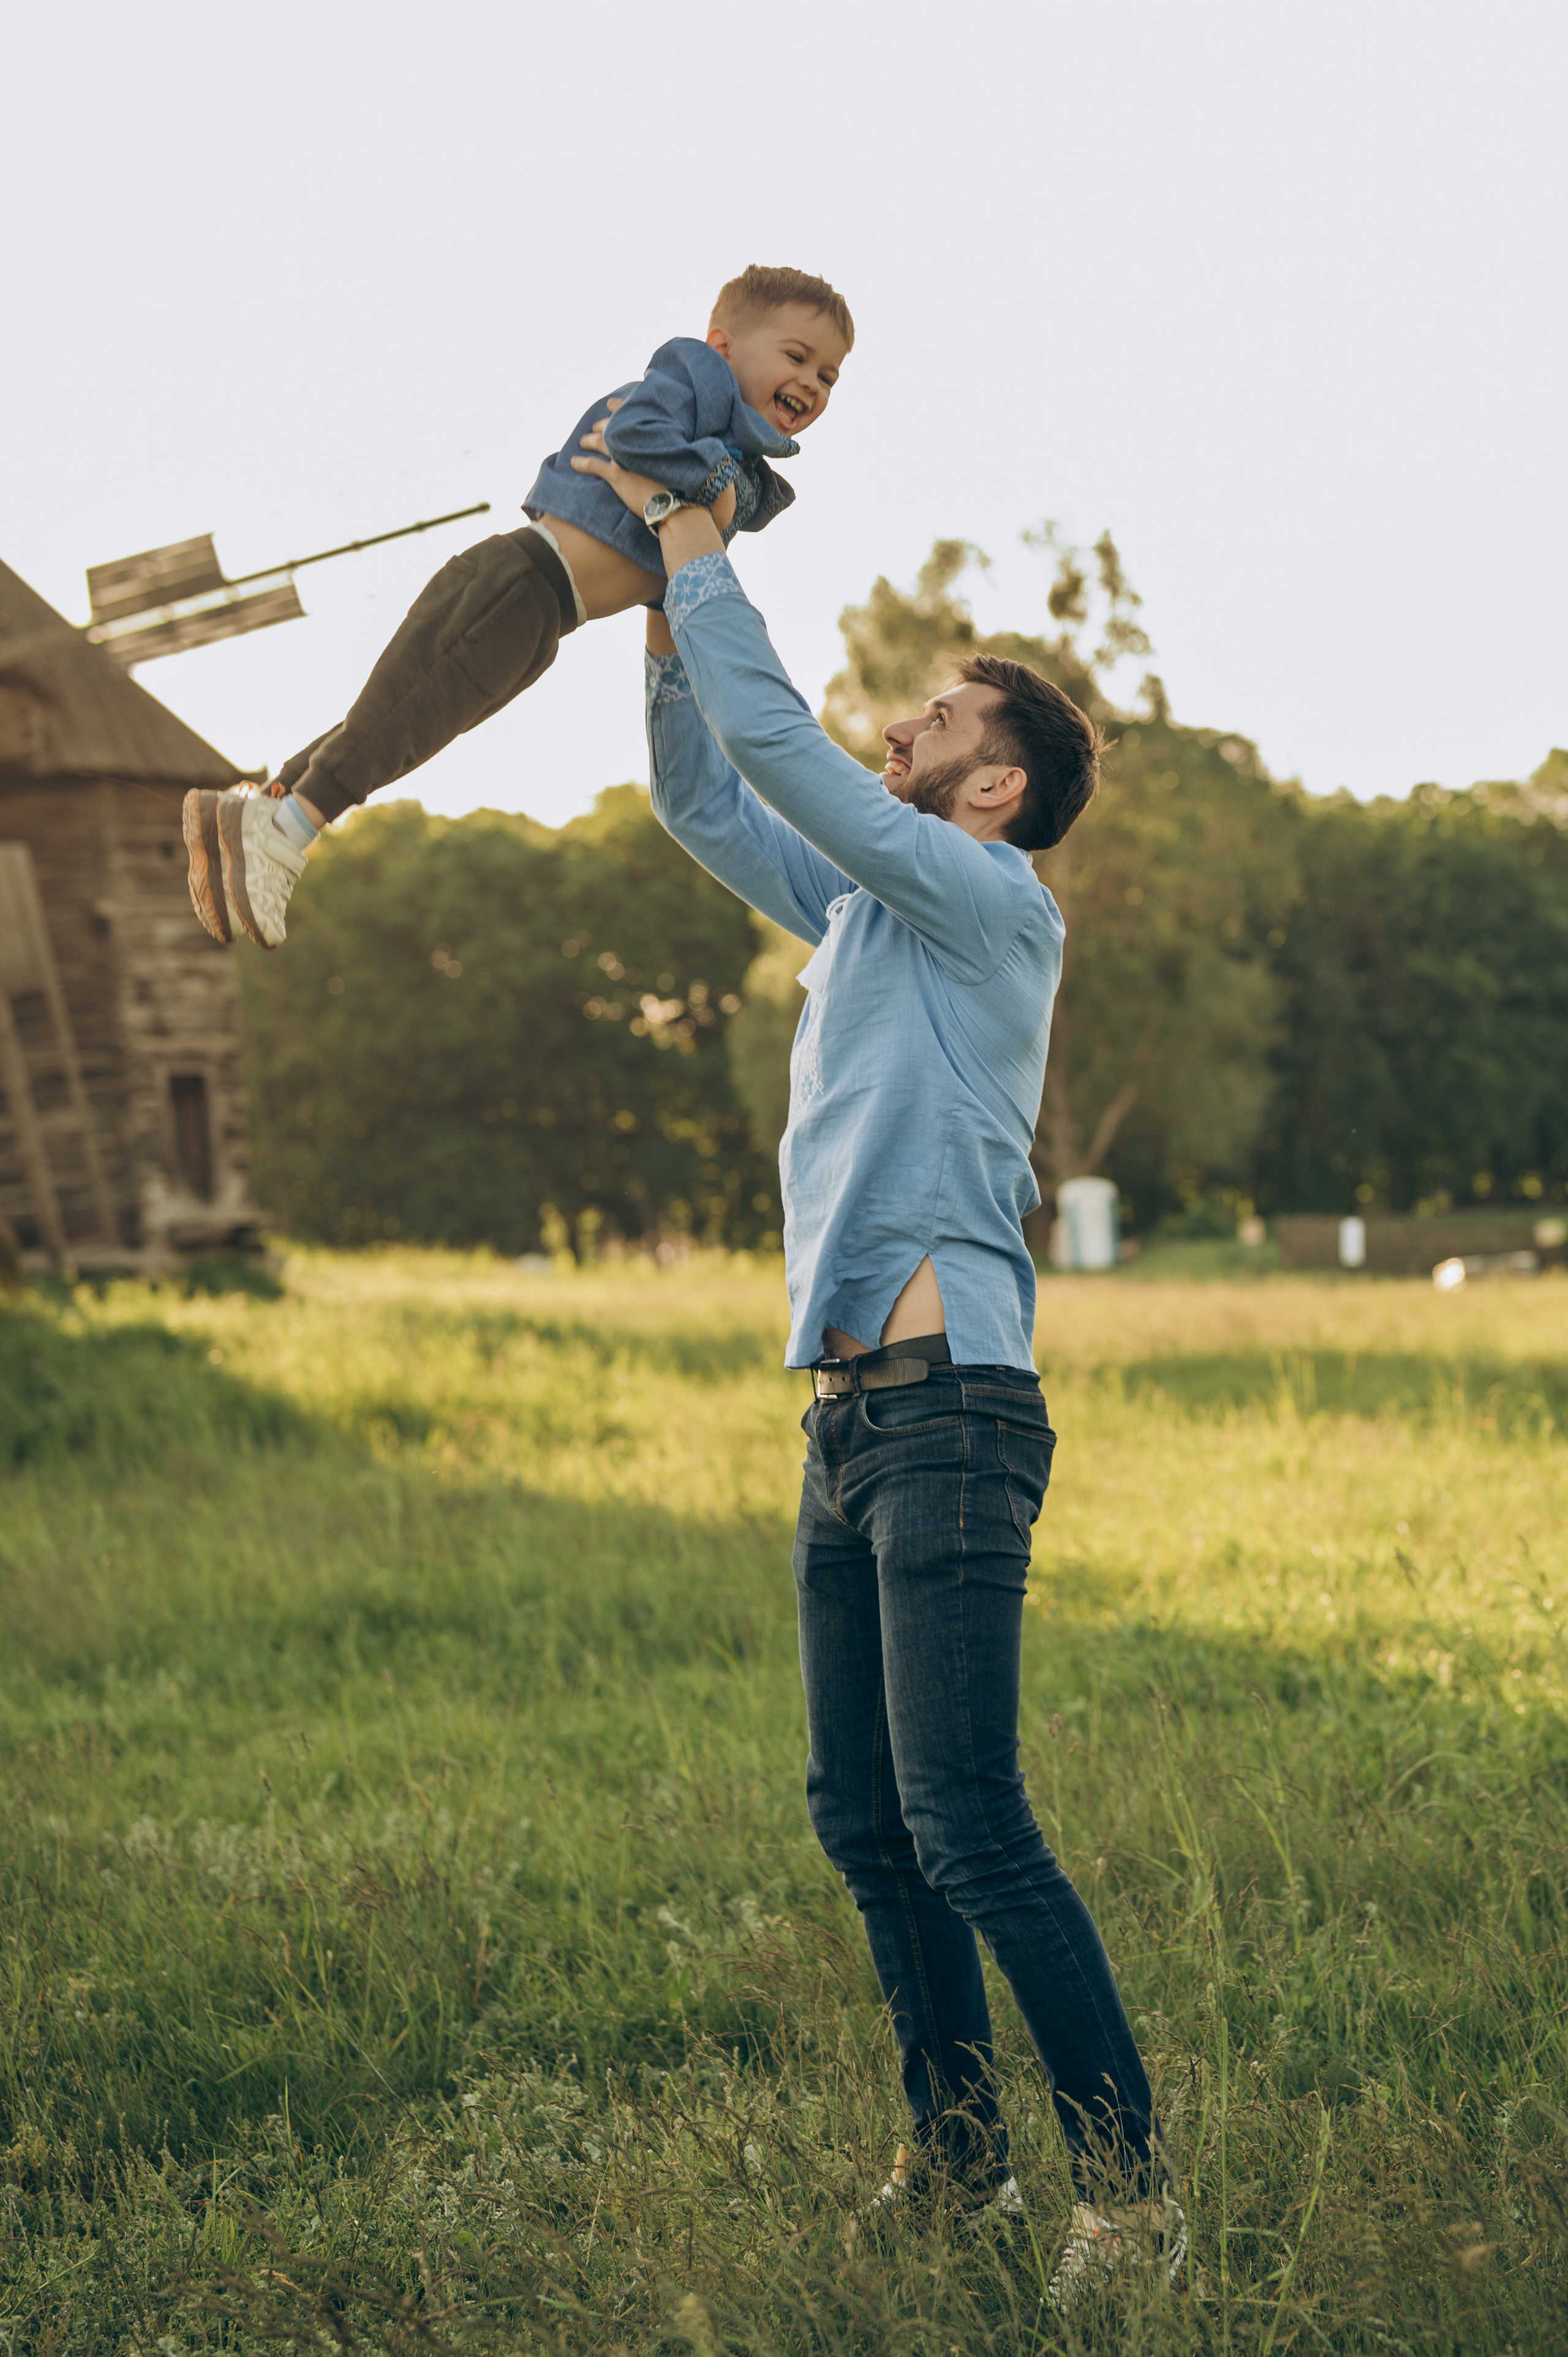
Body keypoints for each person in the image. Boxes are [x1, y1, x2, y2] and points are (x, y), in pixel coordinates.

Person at [570, 422, 1186, 2310]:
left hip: (949, 1415)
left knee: (969, 1817)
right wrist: (664, 626)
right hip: (846, 1418)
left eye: (932, 714)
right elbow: (707, 792)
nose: (899, 722)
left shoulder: (986, 900)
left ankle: (1133, 2201)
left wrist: (697, 544)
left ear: (991, 785)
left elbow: (788, 756)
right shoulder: (864, 909)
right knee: (865, 1817)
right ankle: (958, 2166)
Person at [181, 265, 853, 952]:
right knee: (411, 712)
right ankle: (289, 829)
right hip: (521, 581)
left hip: (547, 615)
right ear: (723, 347)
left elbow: (674, 567)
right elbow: (634, 437)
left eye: (829, 375)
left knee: (408, 717)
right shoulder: (692, 382)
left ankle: (256, 811)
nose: (811, 382)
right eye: (796, 357)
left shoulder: (733, 458)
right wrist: (705, 498)